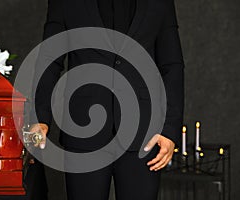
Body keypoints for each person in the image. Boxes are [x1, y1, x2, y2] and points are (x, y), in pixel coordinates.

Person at [30, 0, 184, 199]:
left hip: (145, 133)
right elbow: (49, 60)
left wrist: (169, 130)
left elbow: (172, 66)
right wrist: (39, 118)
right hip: (82, 131)